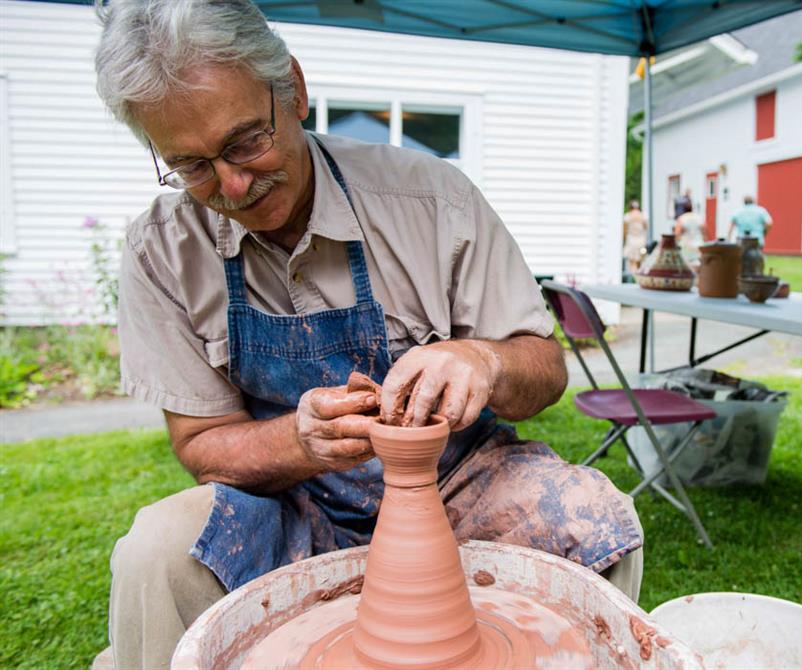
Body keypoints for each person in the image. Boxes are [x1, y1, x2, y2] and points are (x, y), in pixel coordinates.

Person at [93, 1, 644, 667]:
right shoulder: (162, 248)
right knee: (155, 548)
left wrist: (481, 359)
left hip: (454, 483)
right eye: (193, 166)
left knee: (586, 516)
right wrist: (298, 441)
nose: (233, 184)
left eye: (245, 143)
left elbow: (544, 370)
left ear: (292, 89)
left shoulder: (431, 201)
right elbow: (201, 445)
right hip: (288, 503)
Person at [622, 199, 648, 274]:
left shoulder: (627, 216)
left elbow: (625, 230)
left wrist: (624, 240)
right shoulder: (643, 216)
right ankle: (639, 276)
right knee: (640, 260)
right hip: (641, 240)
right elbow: (646, 228)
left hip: (631, 240)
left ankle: (634, 277)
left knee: (632, 261)